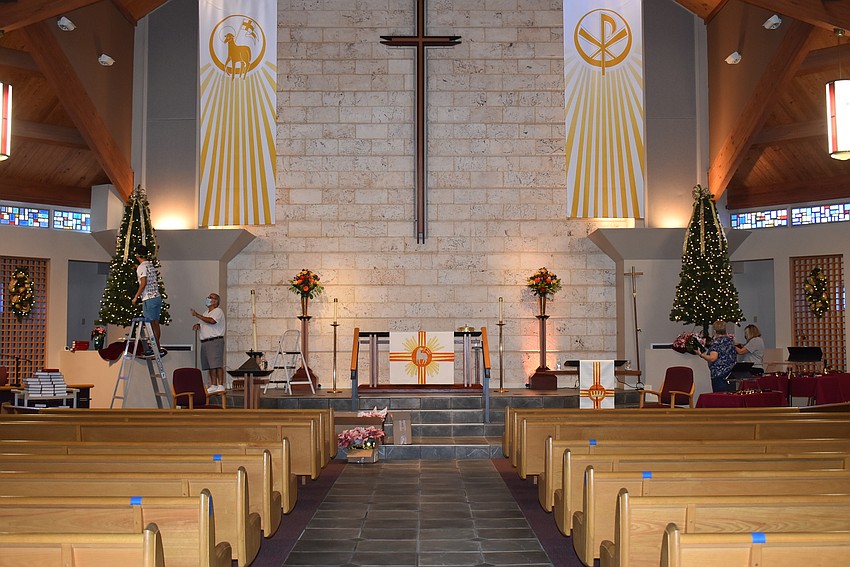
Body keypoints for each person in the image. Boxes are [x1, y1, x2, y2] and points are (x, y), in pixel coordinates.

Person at [131, 245, 165, 357]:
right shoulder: (150, 265)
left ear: (137, 255)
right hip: (156, 296)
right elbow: (147, 274)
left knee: (150, 324)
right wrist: (137, 267)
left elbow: (143, 282)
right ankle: (158, 348)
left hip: (148, 298)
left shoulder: (141, 267)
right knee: (155, 323)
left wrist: (136, 296)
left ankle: (154, 348)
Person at [191, 293, 226, 393]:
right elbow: (202, 321)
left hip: (214, 341)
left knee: (217, 363)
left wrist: (197, 315)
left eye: (211, 297)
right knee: (211, 365)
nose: (208, 299)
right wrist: (197, 325)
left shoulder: (218, 311)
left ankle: (220, 384)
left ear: (215, 301)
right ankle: (213, 384)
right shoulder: (206, 312)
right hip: (205, 342)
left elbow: (212, 321)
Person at [697, 320, 737, 392]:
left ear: (715, 331)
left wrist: (701, 354)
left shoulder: (716, 342)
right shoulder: (730, 341)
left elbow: (713, 358)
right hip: (731, 374)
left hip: (719, 375)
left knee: (720, 399)